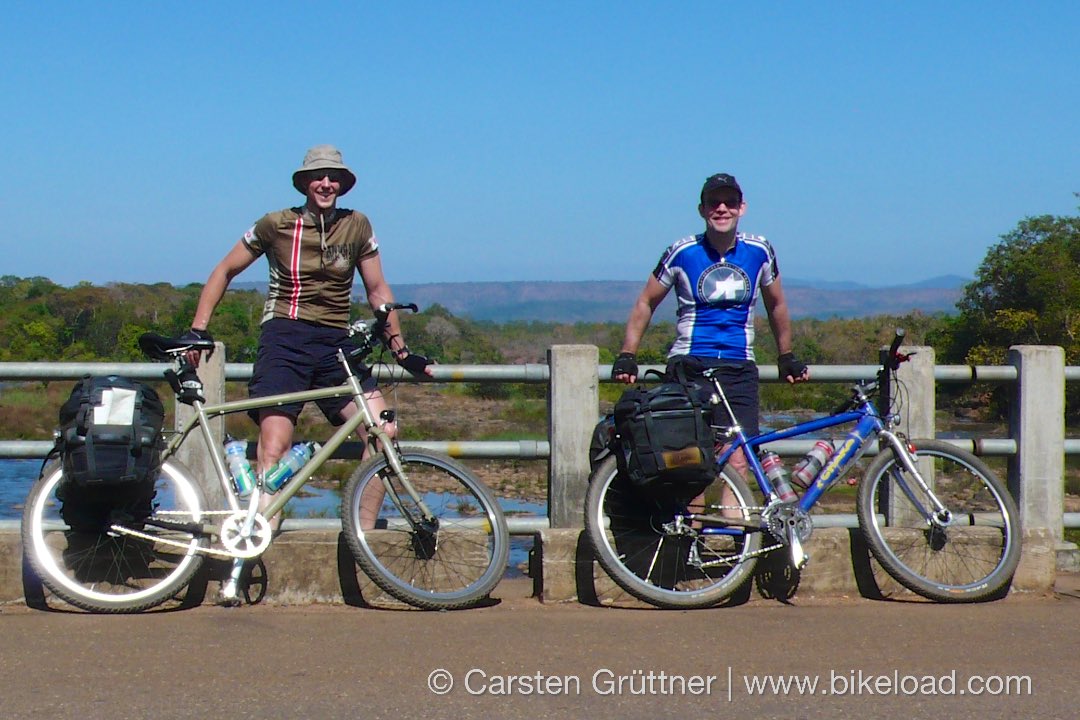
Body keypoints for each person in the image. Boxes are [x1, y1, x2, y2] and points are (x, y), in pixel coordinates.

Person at [183, 145, 432, 529]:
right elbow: (224, 270)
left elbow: (378, 290)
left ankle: (363, 539)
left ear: (344, 185)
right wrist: (198, 330)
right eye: (318, 176)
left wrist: (401, 352)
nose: (326, 183)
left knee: (383, 432)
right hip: (285, 338)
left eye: (334, 177)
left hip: (336, 344)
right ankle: (256, 540)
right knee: (274, 447)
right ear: (303, 182)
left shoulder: (358, 225)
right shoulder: (275, 224)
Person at [611, 172, 810, 489]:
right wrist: (627, 354)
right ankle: (691, 537)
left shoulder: (760, 250)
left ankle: (737, 536)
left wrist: (786, 354)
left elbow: (777, 305)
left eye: (729, 202)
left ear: (741, 208)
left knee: (739, 459)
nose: (722, 208)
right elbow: (646, 302)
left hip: (738, 367)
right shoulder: (682, 251)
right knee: (690, 459)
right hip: (690, 365)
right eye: (713, 202)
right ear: (701, 209)